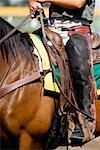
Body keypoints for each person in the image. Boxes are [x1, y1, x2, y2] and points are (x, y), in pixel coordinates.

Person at [28, 0, 96, 145]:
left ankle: (84, 120)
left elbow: (78, 3)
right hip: (50, 29)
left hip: (76, 30)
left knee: (79, 66)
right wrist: (32, 1)